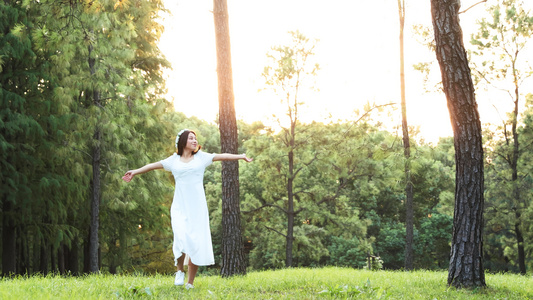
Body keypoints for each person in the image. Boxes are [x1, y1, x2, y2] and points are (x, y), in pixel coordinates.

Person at [122, 129, 252, 289]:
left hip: (197, 208)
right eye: (191, 138)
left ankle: (190, 282)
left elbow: (222, 156)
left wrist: (240, 156)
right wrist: (135, 172)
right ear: (183, 141)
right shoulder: (173, 161)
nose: (194, 140)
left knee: (195, 242)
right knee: (181, 237)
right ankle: (179, 271)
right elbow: (153, 166)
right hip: (179, 206)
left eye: (195, 138)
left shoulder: (201, 158)